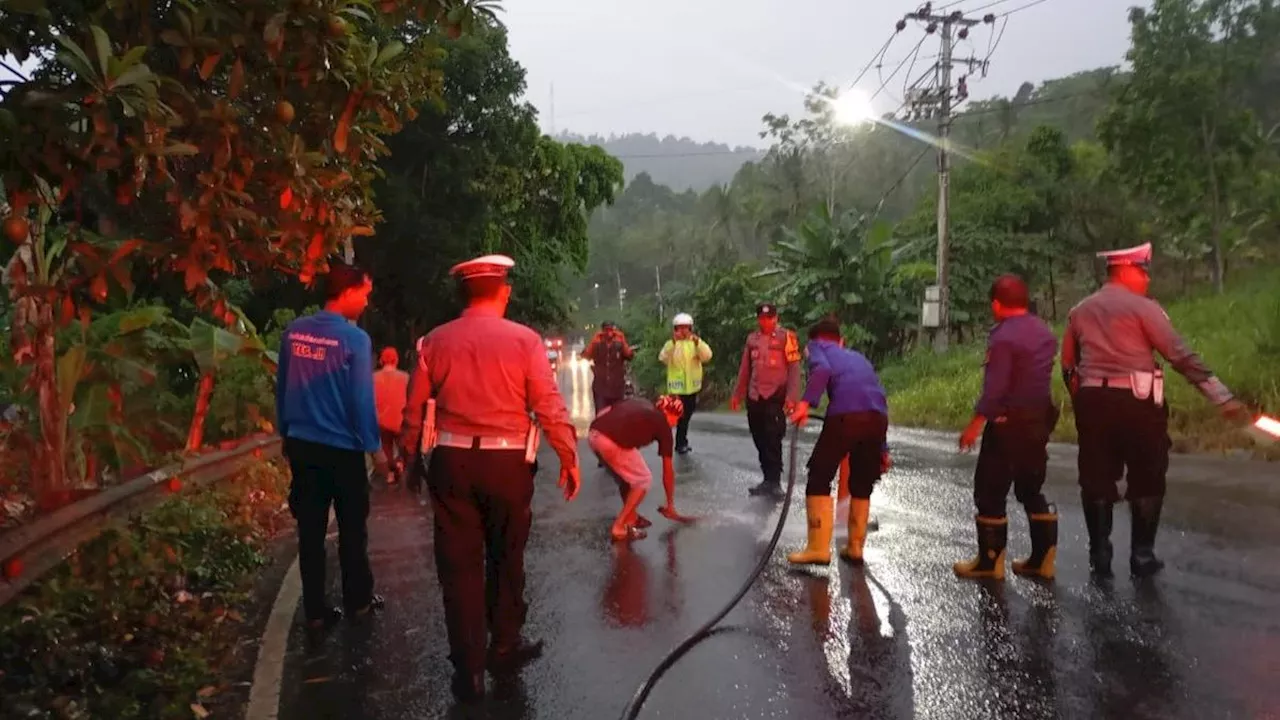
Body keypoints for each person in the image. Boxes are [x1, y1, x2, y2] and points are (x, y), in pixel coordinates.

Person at [399, 254, 581, 703]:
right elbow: (548, 405)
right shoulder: (525, 341)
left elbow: (414, 409)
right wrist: (568, 456)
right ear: (504, 291)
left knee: (458, 568)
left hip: (452, 463)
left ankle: (469, 670)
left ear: (463, 294)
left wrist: (406, 460)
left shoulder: (433, 343)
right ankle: (503, 644)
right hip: (508, 465)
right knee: (506, 557)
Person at [1062, 242, 1248, 578]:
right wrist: (1222, 398)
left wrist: (1083, 404)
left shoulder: (1080, 311)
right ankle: (1142, 556)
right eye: (1143, 271)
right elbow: (1180, 356)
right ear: (1127, 271)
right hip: (1137, 403)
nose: (1147, 279)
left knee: (1096, 477)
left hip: (1093, 403)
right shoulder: (1144, 308)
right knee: (1147, 474)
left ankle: (1100, 556)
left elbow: (1067, 367)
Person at [275, 263, 385, 632]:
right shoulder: (355, 340)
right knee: (353, 529)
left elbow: (282, 389)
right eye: (366, 293)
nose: (367, 302)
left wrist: (285, 434)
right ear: (348, 291)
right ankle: (358, 602)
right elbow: (360, 402)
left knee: (310, 531)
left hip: (304, 447)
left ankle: (316, 613)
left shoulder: (293, 334)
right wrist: (376, 451)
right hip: (343, 451)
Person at [953, 275, 1060, 580]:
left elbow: (996, 388)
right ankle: (1042, 560)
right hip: (1039, 420)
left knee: (989, 491)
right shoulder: (1044, 332)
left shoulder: (1002, 338)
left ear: (996, 304)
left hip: (1008, 422)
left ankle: (990, 563)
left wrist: (974, 424)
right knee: (1031, 488)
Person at [786, 317, 891, 566]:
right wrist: (883, 449)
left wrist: (804, 404)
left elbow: (821, 371)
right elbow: (878, 397)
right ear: (841, 341)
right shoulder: (859, 358)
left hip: (845, 416)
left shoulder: (816, 348)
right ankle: (855, 547)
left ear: (812, 341)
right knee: (862, 483)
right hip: (877, 418)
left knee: (820, 475)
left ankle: (818, 549)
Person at [588, 395, 695, 541]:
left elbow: (605, 411)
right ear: (670, 414)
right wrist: (670, 505)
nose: (675, 423)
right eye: (676, 418)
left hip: (594, 435)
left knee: (627, 478)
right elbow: (668, 472)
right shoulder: (662, 425)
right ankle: (619, 526)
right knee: (643, 479)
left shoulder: (641, 403)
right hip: (609, 441)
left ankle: (631, 518)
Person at [730, 302, 801, 499]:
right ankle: (766, 479)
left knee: (773, 438)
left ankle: (775, 481)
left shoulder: (787, 337)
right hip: (755, 396)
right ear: (758, 319)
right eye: (762, 318)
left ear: (776, 318)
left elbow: (794, 369)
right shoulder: (752, 339)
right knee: (759, 437)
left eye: (770, 318)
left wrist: (791, 397)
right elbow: (745, 369)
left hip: (775, 396)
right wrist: (737, 394)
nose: (766, 321)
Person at [658, 313, 713, 454]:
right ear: (675, 329)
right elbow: (663, 357)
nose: (683, 331)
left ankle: (681, 441)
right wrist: (673, 343)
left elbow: (707, 356)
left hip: (692, 387)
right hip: (677, 389)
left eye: (686, 328)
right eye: (679, 328)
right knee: (676, 417)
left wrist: (697, 342)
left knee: (686, 416)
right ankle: (675, 442)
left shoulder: (695, 344)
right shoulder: (671, 344)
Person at [373, 346, 409, 484]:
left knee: (386, 447)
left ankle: (389, 473)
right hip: (401, 421)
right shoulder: (405, 377)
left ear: (381, 361)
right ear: (397, 360)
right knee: (403, 448)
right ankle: (399, 464)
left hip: (381, 421)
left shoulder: (373, 378)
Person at [582, 321, 634, 415]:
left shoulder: (618, 342)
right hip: (601, 387)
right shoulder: (597, 342)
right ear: (603, 331)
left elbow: (629, 355)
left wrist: (621, 340)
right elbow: (587, 355)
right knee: (602, 416)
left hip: (616, 387)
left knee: (616, 415)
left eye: (610, 330)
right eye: (607, 330)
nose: (609, 333)